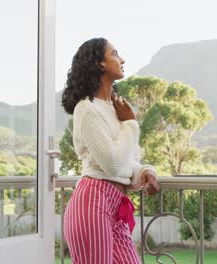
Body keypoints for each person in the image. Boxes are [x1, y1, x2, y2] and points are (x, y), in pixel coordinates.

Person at [61, 37, 160, 264]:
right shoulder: (86, 109)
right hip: (92, 204)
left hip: (115, 207)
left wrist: (145, 170)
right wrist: (131, 124)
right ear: (100, 64)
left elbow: (124, 162)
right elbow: (112, 163)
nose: (122, 59)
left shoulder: (116, 109)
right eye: (115, 53)